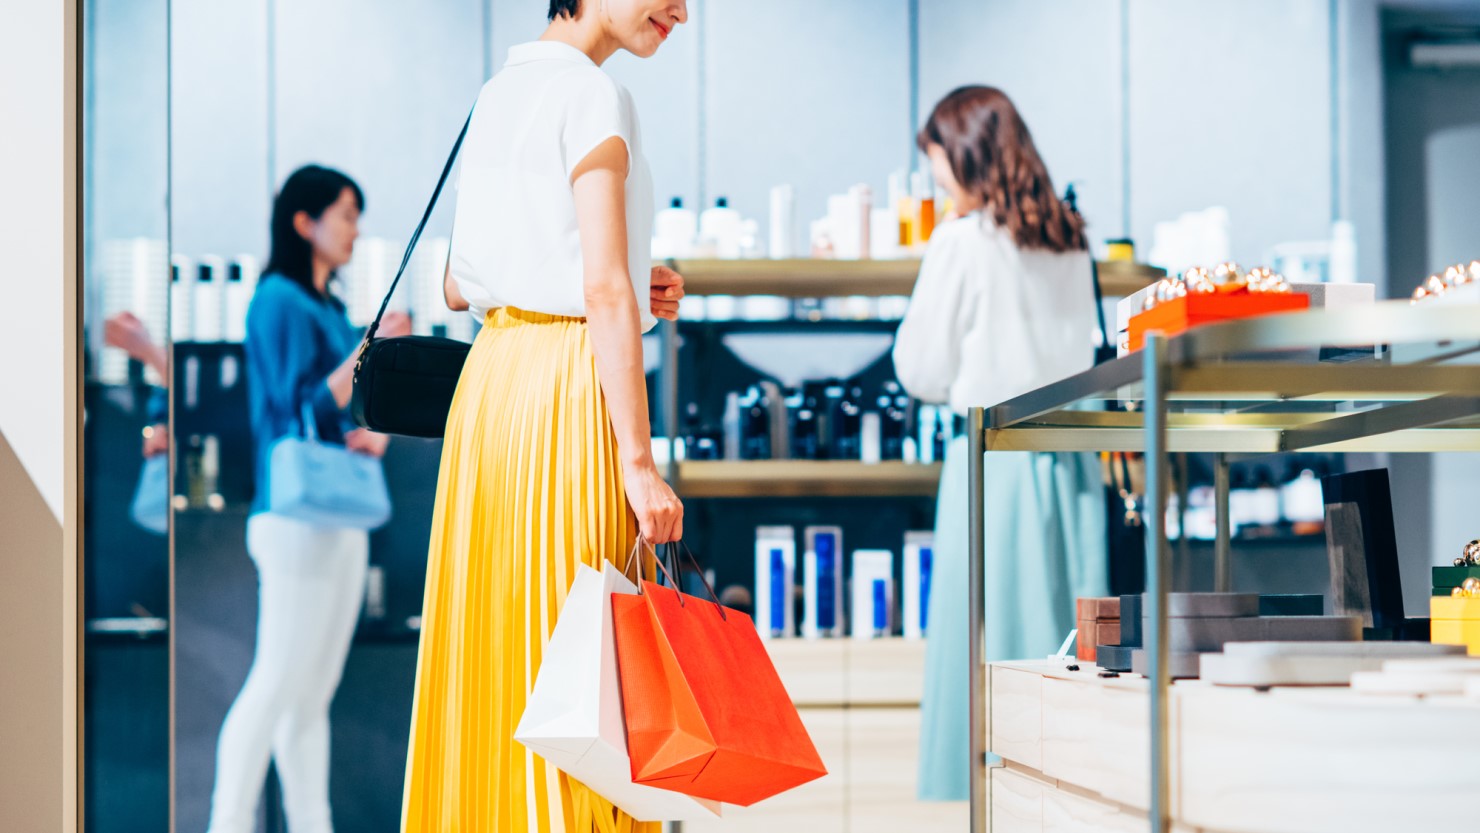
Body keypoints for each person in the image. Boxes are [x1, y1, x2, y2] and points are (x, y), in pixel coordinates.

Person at [401, 1, 688, 830]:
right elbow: (600, 290)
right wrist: (640, 464)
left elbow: (458, 283)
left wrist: (629, 274)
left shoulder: (498, 92)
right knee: (583, 669)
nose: (681, 11)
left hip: (492, 389)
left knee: (500, 653)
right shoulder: (593, 92)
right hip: (567, 388)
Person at [893, 86, 1109, 801]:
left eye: (939, 164)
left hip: (992, 464)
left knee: (986, 656)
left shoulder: (962, 242)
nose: (938, 182)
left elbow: (919, 369)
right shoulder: (1071, 239)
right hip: (1072, 468)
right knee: (1069, 660)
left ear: (965, 155)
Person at [206, 164, 411, 833]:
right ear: (305, 222)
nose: (356, 230)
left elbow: (338, 414)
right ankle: (228, 822)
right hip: (294, 514)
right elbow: (300, 407)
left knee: (309, 694)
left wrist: (374, 430)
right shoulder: (278, 301)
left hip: (335, 512)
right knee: (275, 681)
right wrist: (369, 351)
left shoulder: (325, 307)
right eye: (346, 214)